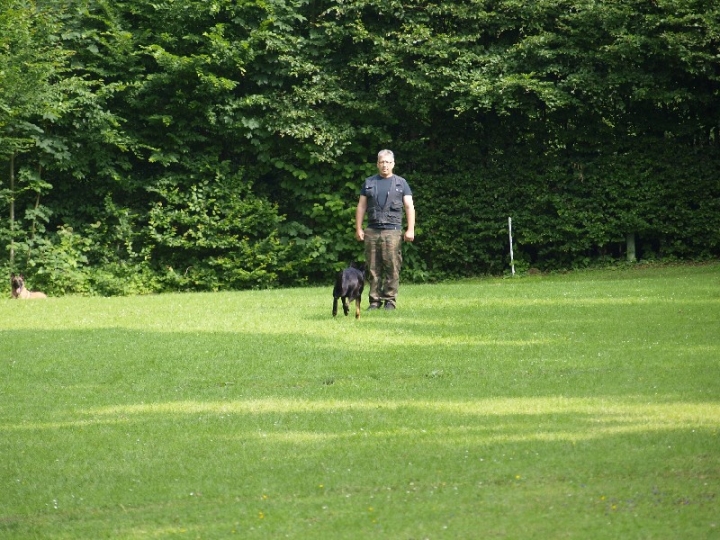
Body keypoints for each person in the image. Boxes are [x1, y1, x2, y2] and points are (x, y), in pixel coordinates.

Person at [355, 149, 415, 310]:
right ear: (377, 164)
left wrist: (410, 229)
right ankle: (374, 301)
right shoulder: (369, 182)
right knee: (373, 267)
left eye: (388, 162)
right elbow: (361, 207)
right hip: (372, 231)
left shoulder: (401, 183)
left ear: (393, 164)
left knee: (392, 266)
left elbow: (409, 207)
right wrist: (359, 228)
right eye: (382, 162)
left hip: (393, 231)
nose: (385, 165)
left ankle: (390, 301)